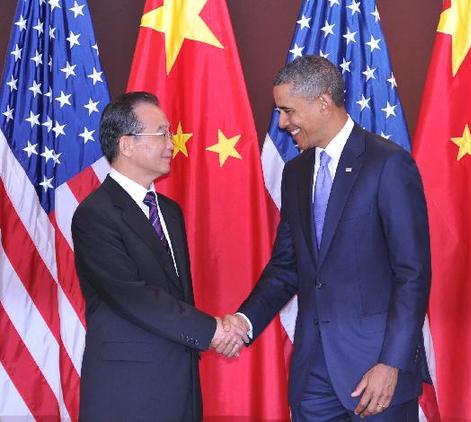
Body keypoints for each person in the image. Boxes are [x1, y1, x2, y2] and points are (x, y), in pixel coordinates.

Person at [225, 56, 431, 420]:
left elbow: (411, 274)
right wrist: (244, 321)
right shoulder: (296, 173)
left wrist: (391, 363)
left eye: (287, 111)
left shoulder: (387, 164)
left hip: (376, 372)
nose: (282, 123)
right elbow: (287, 266)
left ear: (323, 101)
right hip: (313, 375)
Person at [72, 92, 246, 421]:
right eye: (162, 133)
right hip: (128, 391)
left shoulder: (169, 211)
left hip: (181, 385)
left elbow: (177, 293)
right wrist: (214, 331)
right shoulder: (95, 214)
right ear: (126, 144)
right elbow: (134, 296)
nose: (171, 142)